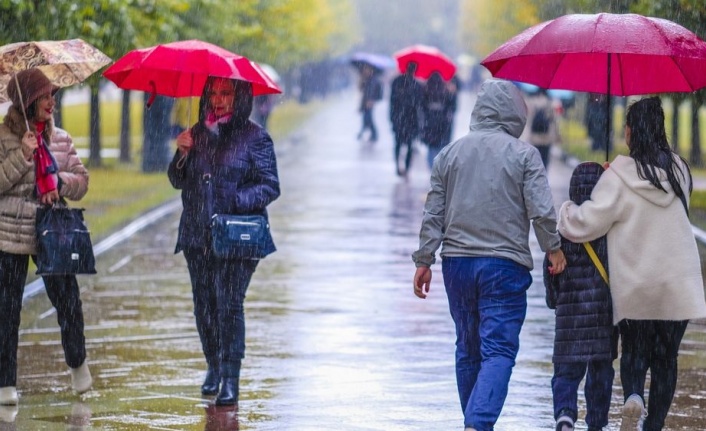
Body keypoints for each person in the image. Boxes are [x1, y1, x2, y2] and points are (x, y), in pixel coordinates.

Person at [412, 78, 567, 431]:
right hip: (504, 266)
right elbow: (541, 211)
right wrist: (552, 249)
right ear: (515, 114)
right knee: (498, 350)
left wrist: (424, 260)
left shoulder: (450, 154)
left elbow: (433, 212)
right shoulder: (524, 155)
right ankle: (478, 424)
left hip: (457, 266)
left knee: (468, 348)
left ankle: (473, 421)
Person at [558, 97, 706, 431]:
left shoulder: (620, 176)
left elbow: (588, 223)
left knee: (635, 351)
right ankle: (653, 424)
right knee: (667, 358)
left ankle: (634, 395)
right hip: (677, 282)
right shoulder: (680, 171)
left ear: (631, 131)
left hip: (637, 283)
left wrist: (567, 210)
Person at [167, 76, 280, 406]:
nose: (218, 100)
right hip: (197, 233)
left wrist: (234, 200)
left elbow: (270, 186)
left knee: (228, 304)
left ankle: (231, 377)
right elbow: (177, 180)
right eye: (213, 93)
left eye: (226, 93)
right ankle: (213, 365)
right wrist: (181, 154)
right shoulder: (196, 133)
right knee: (204, 305)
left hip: (237, 236)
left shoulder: (256, 138)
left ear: (239, 97)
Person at [0, 68, 92, 405]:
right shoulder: (3, 137)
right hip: (8, 232)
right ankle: (5, 383)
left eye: (53, 94)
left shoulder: (61, 138)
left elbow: (82, 182)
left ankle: (77, 363)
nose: (52, 102)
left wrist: (60, 183)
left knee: (68, 299)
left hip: (52, 228)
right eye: (45, 96)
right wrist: (22, 156)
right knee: (6, 309)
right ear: (28, 102)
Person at [544, 162, 617, 431]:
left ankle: (564, 413)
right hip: (602, 317)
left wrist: (556, 302)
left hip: (569, 318)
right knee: (600, 372)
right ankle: (596, 422)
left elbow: (550, 273)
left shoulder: (561, 228)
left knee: (566, 372)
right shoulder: (609, 226)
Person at [389, 62, 423, 176]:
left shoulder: (397, 82)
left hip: (399, 118)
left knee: (398, 144)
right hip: (410, 119)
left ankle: (398, 167)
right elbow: (419, 105)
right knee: (408, 145)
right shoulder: (417, 85)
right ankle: (406, 168)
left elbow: (392, 102)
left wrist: (392, 118)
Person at [421, 71, 456, 168]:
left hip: (430, 121)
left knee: (431, 145)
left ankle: (431, 166)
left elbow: (422, 106)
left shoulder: (426, 89)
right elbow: (452, 106)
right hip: (442, 121)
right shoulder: (446, 90)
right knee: (441, 145)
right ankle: (438, 167)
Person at [527, 88, 561, 168]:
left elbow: (529, 119)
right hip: (547, 136)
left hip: (535, 136)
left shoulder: (533, 101)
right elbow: (554, 121)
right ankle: (544, 175)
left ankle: (535, 175)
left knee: (535, 159)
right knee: (545, 159)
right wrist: (557, 135)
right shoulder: (551, 103)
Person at [356, 64, 383, 142]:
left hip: (370, 102)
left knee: (368, 118)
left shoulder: (374, 80)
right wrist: (361, 80)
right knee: (366, 118)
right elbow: (361, 89)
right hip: (365, 102)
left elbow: (377, 93)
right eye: (365, 69)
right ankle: (369, 133)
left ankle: (373, 134)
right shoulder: (365, 79)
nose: (365, 71)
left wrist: (372, 100)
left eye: (367, 69)